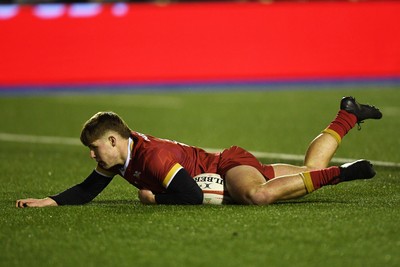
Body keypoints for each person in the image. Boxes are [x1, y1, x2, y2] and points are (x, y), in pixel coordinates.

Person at [16, 96, 382, 207]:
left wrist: (155, 200)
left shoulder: (151, 157)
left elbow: (190, 195)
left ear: (113, 141)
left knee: (257, 196)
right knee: (306, 170)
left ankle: (344, 173)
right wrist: (49, 201)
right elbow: (87, 189)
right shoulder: (120, 157)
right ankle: (347, 116)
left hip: (226, 167)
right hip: (223, 170)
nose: (93, 156)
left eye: (95, 149)